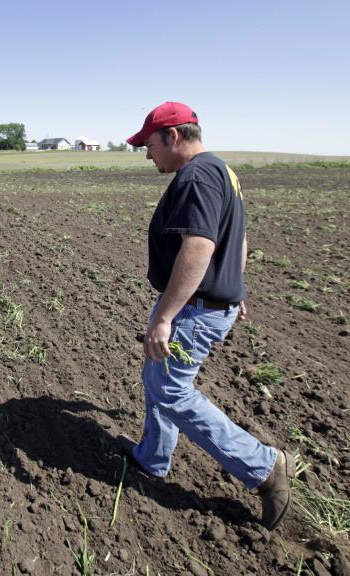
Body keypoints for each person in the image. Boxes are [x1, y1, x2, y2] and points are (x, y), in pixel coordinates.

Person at [116, 102, 292, 530]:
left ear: (173, 136)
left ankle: (263, 467)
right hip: (209, 300)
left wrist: (164, 317)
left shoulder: (196, 176)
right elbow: (239, 238)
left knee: (172, 390)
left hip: (195, 308)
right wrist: (233, 286)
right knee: (157, 378)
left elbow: (199, 247)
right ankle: (152, 457)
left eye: (150, 144)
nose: (147, 154)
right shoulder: (222, 172)